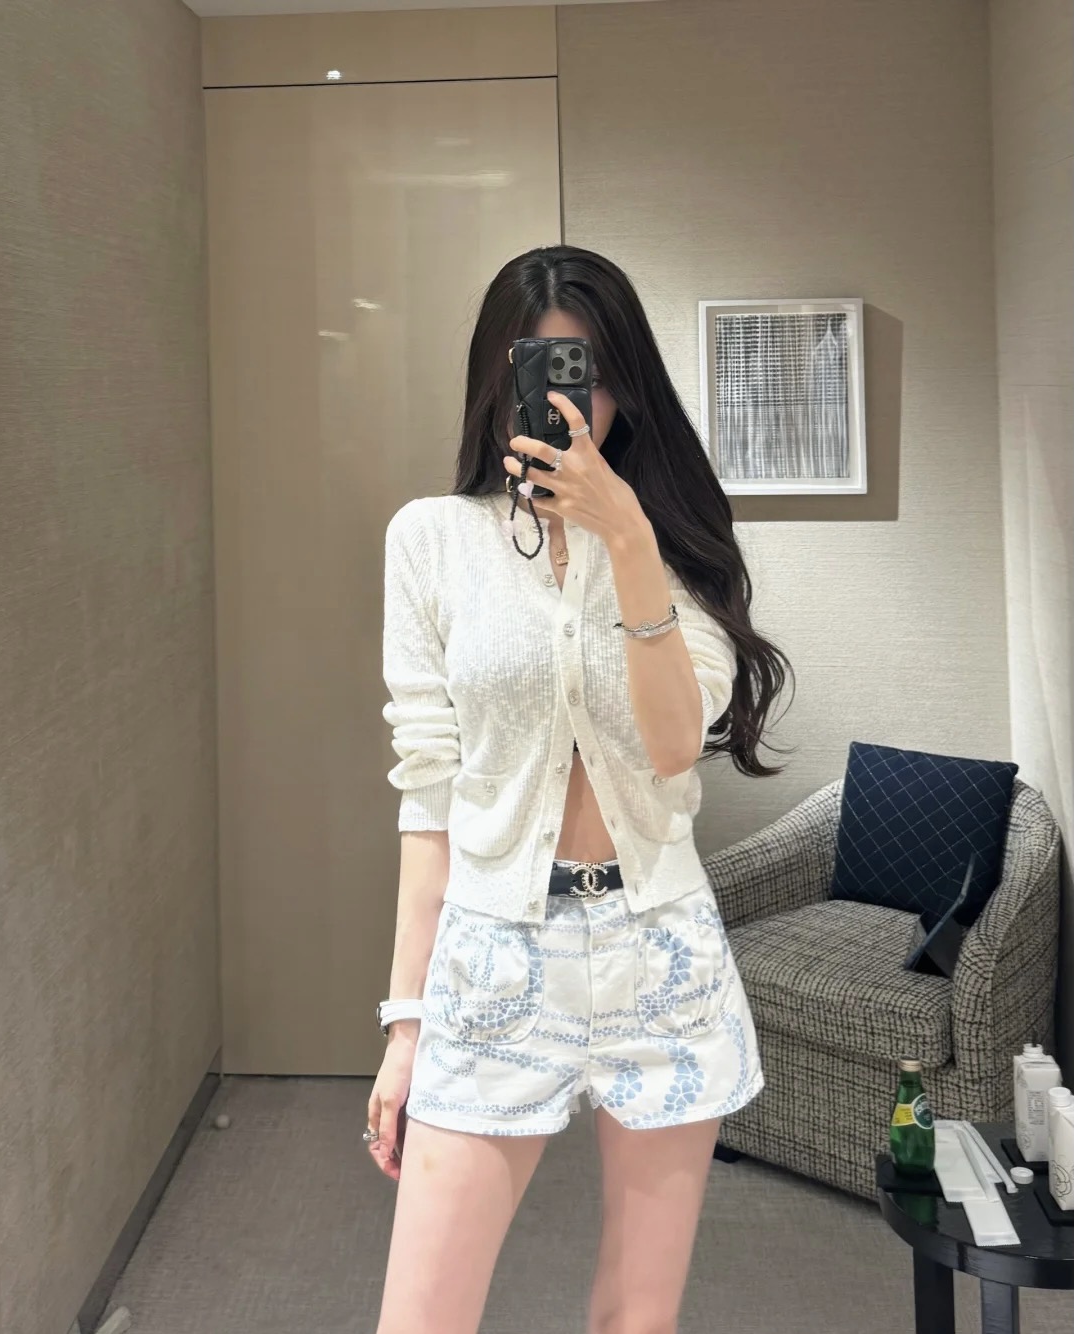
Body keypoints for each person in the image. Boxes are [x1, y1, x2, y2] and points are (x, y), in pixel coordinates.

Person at [367, 245, 791, 1334]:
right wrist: (407, 1025)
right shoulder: (430, 542)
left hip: (661, 955)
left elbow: (671, 744)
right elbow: (429, 795)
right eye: (544, 369)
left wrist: (628, 535)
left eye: (594, 373)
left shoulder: (675, 544)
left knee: (635, 1320)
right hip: (493, 958)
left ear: (629, 387)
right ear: (497, 378)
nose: (571, 402)